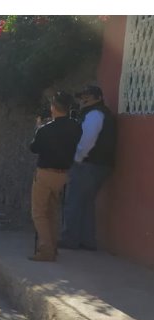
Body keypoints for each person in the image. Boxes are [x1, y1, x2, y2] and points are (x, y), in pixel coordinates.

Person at [59, 85, 117, 251]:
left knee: (74, 202)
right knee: (86, 203)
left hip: (89, 164)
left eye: (87, 96)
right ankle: (87, 241)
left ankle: (70, 239)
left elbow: (87, 140)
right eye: (81, 96)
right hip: (100, 165)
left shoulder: (94, 114)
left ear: (98, 97)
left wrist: (77, 159)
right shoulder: (100, 113)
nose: (83, 100)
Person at [28, 91, 82, 261]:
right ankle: (53, 247)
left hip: (45, 173)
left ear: (53, 107)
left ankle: (46, 249)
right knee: (53, 212)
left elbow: (34, 148)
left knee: (39, 213)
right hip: (63, 174)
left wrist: (38, 127)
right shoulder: (76, 126)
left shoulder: (45, 129)